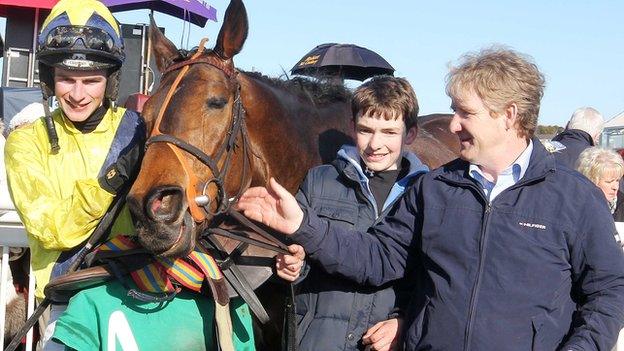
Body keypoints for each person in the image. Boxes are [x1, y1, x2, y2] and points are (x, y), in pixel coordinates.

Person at [236, 48, 624, 350]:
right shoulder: (435, 189)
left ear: (509, 115)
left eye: (464, 113)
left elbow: (609, 291)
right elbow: (377, 257)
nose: (453, 125)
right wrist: (303, 227)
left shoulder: (575, 198)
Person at [4, 0, 145, 348]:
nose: (78, 95)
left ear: (110, 80)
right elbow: (53, 229)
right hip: (68, 304)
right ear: (50, 79)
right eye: (66, 79)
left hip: (139, 298)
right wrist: (111, 179)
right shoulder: (25, 142)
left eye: (91, 80)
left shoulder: (138, 129)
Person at [289, 76, 428, 351]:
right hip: (319, 340)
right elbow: (298, 255)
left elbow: (432, 280)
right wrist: (292, 265)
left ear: (410, 134)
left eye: (389, 132)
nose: (375, 144)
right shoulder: (319, 181)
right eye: (366, 130)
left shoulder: (427, 193)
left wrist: (405, 321)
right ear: (352, 128)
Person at [576, 147, 624, 221]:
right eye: (609, 182)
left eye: (617, 180)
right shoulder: (574, 205)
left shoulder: (621, 205)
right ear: (591, 180)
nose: (615, 187)